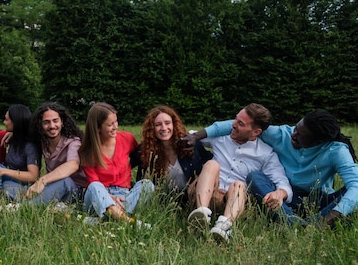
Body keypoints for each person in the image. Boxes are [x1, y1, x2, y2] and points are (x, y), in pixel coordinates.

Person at [184, 108, 358, 228]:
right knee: (255, 176)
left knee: (349, 195)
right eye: (296, 128)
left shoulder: (336, 151)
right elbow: (242, 124)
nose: (293, 135)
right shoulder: (282, 134)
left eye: (300, 136)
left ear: (318, 142)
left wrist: (330, 217)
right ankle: (292, 223)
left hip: (316, 200)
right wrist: (197, 136)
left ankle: (312, 224)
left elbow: (355, 186)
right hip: (278, 199)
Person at [185, 103, 292, 243]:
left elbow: (282, 182)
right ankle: (201, 213)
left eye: (240, 123)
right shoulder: (220, 138)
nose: (233, 125)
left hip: (233, 203)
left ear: (256, 132)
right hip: (206, 192)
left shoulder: (266, 153)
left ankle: (223, 227)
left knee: (239, 185)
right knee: (212, 164)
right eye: (235, 119)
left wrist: (280, 193)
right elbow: (190, 135)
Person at [78, 102, 154, 225]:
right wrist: (110, 198)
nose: (115, 126)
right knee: (94, 186)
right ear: (97, 128)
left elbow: (140, 156)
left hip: (124, 196)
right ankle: (128, 222)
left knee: (147, 185)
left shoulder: (126, 138)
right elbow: (93, 182)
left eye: (116, 122)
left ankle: (105, 220)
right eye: (110, 124)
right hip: (99, 197)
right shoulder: (88, 151)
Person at [133, 105, 211, 202]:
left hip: (192, 199)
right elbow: (125, 166)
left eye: (167, 123)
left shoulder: (190, 144)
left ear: (174, 124)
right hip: (163, 204)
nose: (164, 128)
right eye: (158, 124)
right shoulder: (145, 151)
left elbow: (212, 164)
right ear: (152, 128)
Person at [24, 102, 87, 207]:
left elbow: (73, 165)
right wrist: (10, 134)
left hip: (78, 192)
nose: (52, 126)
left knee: (65, 181)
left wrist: (43, 180)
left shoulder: (73, 142)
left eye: (55, 121)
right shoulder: (42, 141)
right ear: (40, 124)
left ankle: (25, 207)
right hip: (56, 188)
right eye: (46, 122)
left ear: (62, 122)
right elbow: (22, 134)